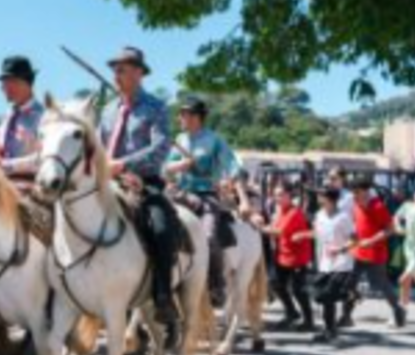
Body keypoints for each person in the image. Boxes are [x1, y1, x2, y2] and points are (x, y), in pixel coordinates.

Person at [98, 46, 178, 328]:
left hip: (145, 182)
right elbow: (98, 147)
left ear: (139, 73)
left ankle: (163, 294)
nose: (116, 74)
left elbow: (160, 148)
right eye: (115, 69)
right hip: (107, 181)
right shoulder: (107, 110)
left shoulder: (156, 107)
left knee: (160, 224)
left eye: (122, 69)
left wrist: (123, 164)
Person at [165, 96, 246, 306]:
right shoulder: (179, 140)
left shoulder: (215, 140)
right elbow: (165, 168)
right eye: (181, 113)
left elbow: (232, 166)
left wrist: (237, 189)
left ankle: (216, 283)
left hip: (206, 195)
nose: (181, 117)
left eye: (186, 113)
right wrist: (182, 164)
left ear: (198, 117)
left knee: (209, 237)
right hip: (180, 194)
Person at [342, 178, 406, 328]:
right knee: (349, 284)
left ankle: (398, 310)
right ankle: (346, 316)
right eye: (353, 193)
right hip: (357, 252)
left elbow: (390, 229)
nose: (354, 196)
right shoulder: (356, 205)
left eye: (357, 192)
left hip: (375, 255)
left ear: (365, 192)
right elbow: (356, 226)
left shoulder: (378, 206)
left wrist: (370, 241)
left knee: (381, 285)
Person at [258, 183, 315, 331]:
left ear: (290, 196)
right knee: (275, 284)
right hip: (282, 255)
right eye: (276, 195)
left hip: (297, 258)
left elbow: (277, 231)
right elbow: (273, 225)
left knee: (298, 290)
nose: (278, 198)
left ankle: (309, 321)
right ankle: (291, 312)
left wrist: (258, 228)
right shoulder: (280, 211)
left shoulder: (294, 212)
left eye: (281, 194)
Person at [304, 188, 356, 342]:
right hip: (324, 263)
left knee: (327, 297)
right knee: (322, 297)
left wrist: (341, 249)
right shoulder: (319, 215)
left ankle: (330, 330)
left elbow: (355, 239)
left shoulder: (343, 217)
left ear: (331, 199)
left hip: (341, 264)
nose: (319, 198)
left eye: (321, 196)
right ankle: (349, 295)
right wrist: (303, 235)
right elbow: (317, 233)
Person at [0, 56, 44, 179]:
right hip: (3, 184)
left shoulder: (43, 117)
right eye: (3, 83)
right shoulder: (7, 116)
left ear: (23, 82)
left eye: (7, 82)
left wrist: (7, 165)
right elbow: (0, 147)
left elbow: (45, 157)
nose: (2, 88)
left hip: (31, 187)